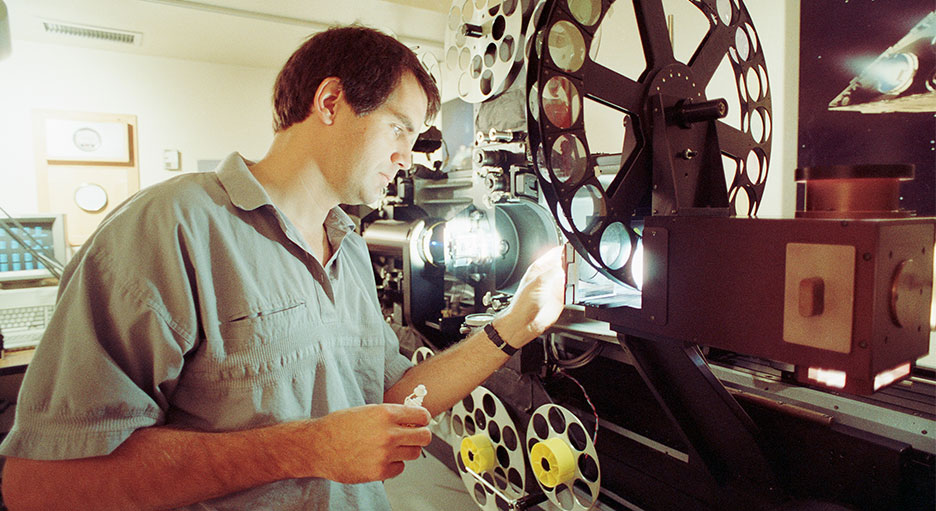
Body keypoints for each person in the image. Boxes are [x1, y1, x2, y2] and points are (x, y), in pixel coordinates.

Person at [0, 25, 565, 511]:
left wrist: (519, 323)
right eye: (399, 128)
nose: (407, 156)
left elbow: (392, 398)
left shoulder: (349, 249)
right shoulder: (171, 227)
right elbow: (42, 485)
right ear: (329, 103)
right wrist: (305, 447)